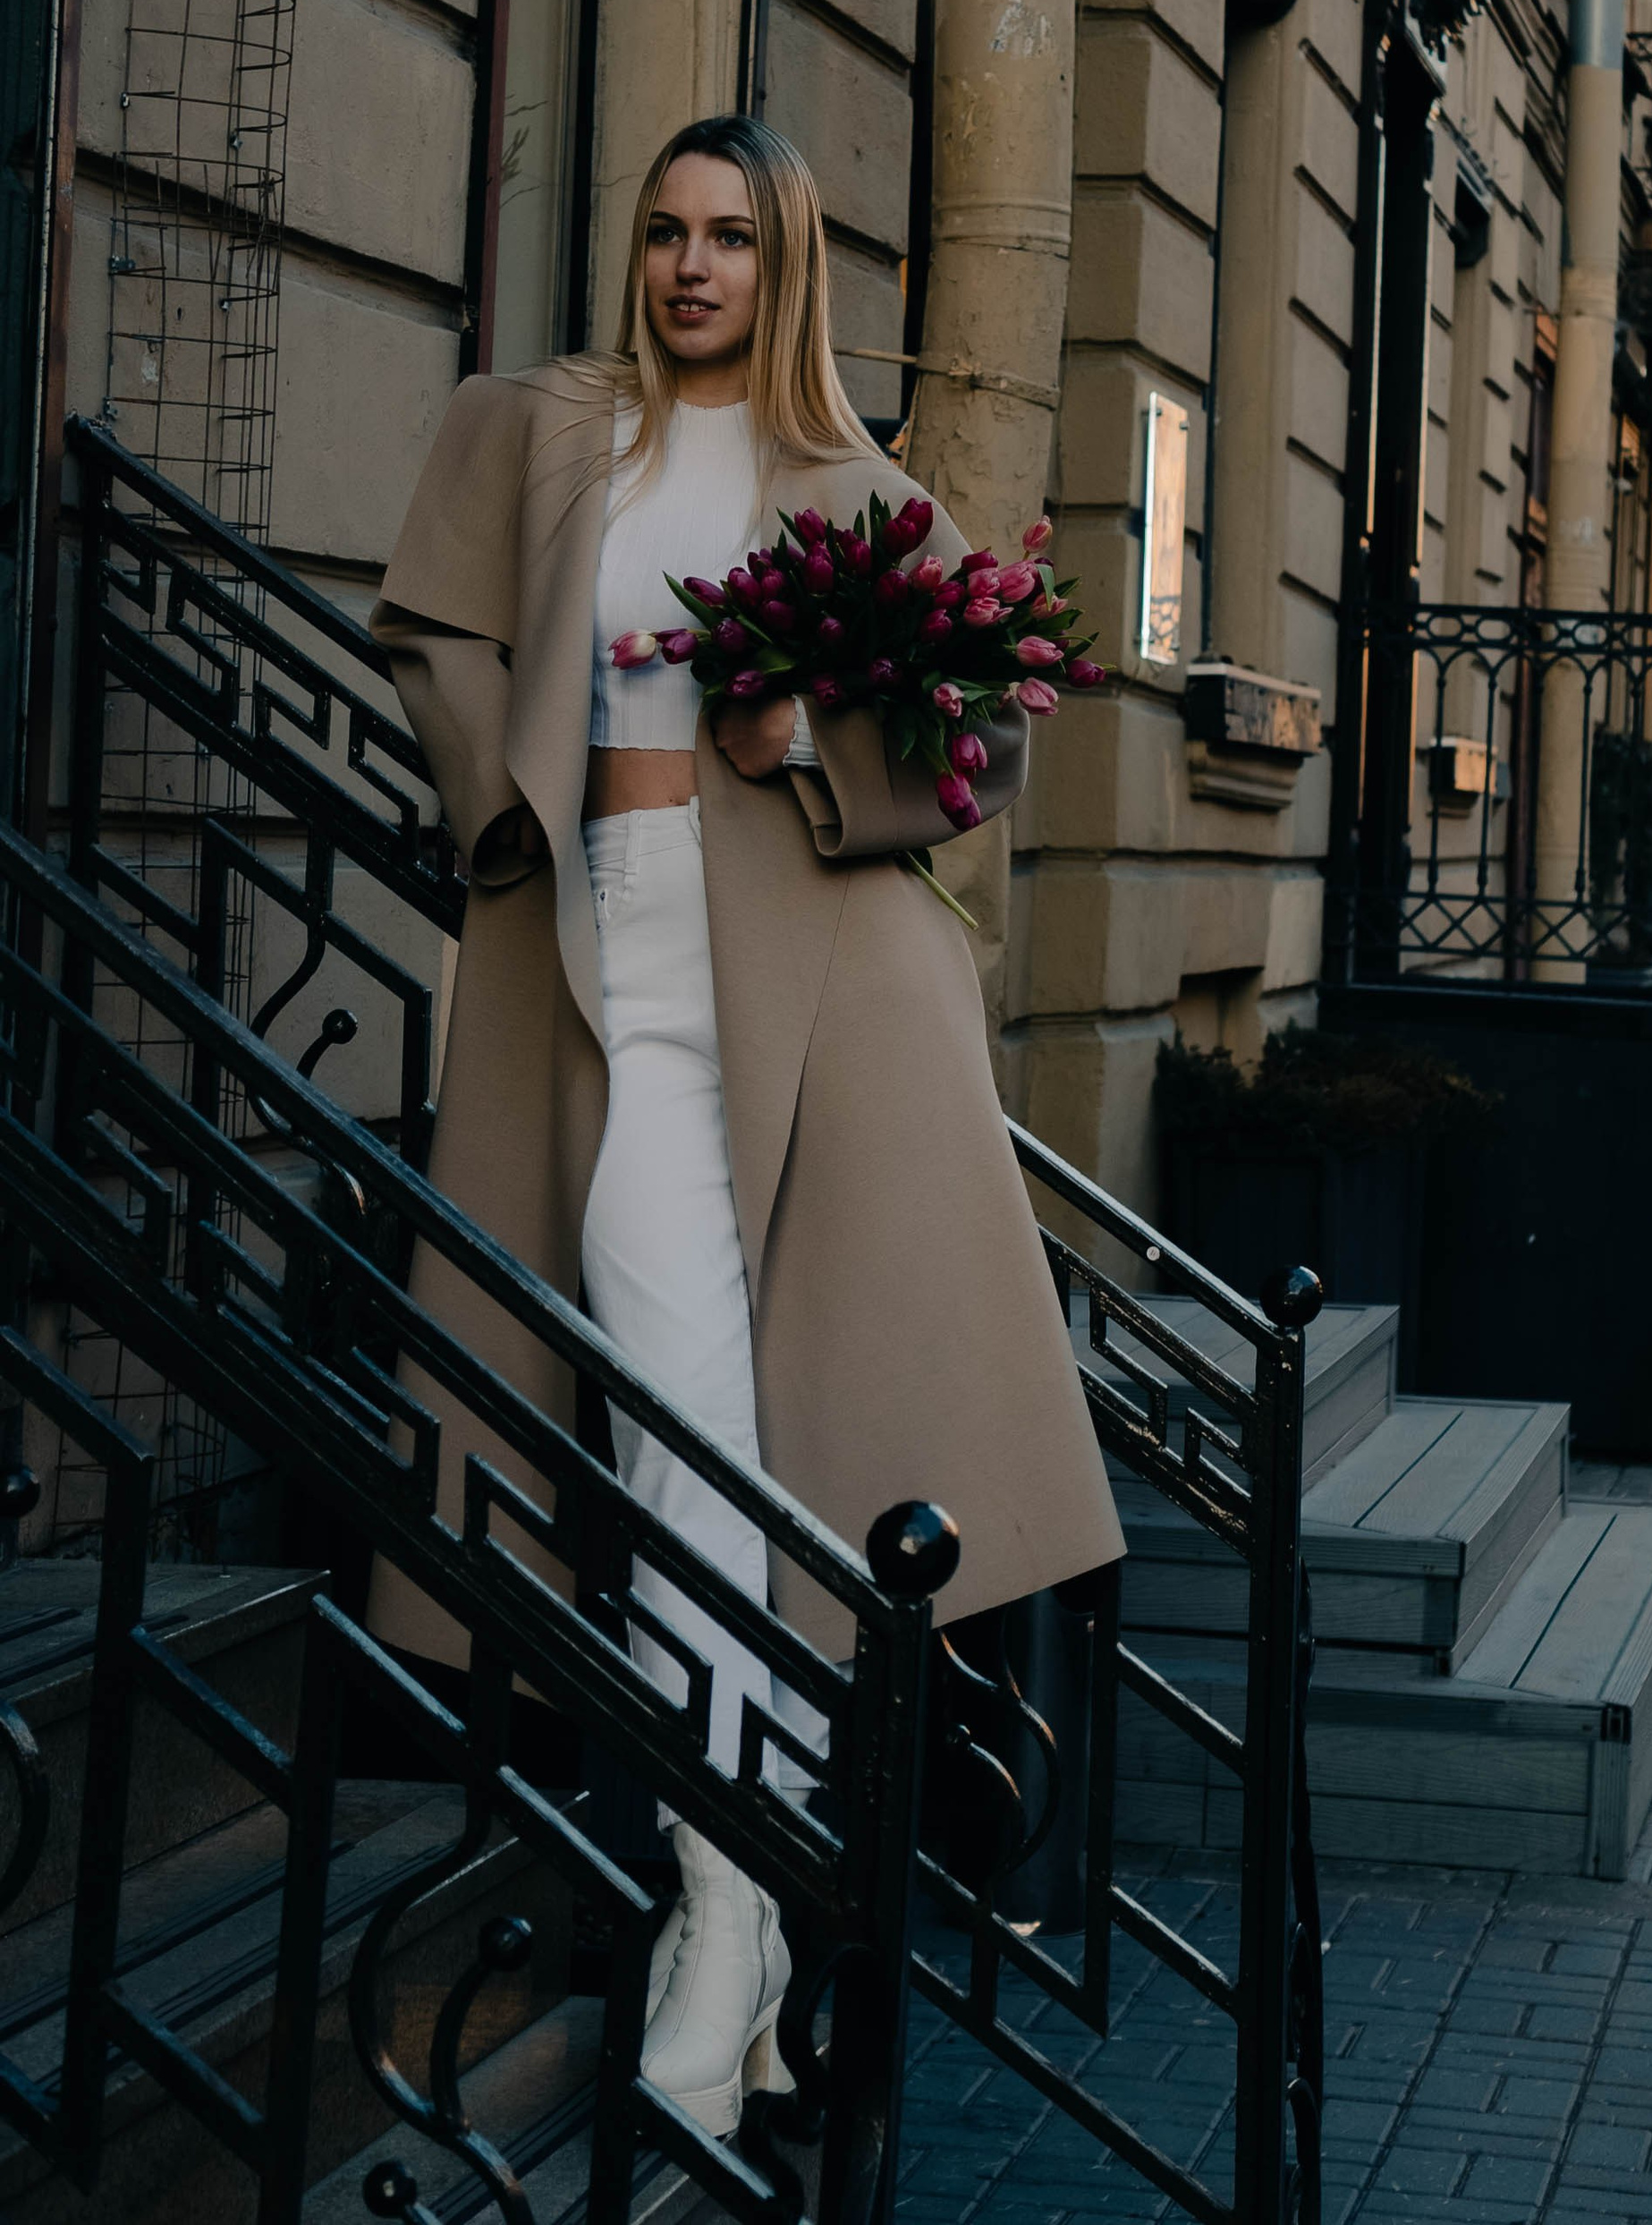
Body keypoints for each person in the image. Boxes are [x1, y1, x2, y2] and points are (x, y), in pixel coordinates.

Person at [369, 116, 1124, 2136]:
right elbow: (436, 636)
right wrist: (498, 800)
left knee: (766, 1469)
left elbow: (971, 745)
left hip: (811, 1008)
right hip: (596, 978)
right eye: (661, 230)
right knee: (669, 1429)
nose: (688, 264)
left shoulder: (857, 491)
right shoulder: (536, 432)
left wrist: (811, 746)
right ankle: (747, 1915)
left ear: (784, 267)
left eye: (728, 237)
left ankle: (727, 1926)